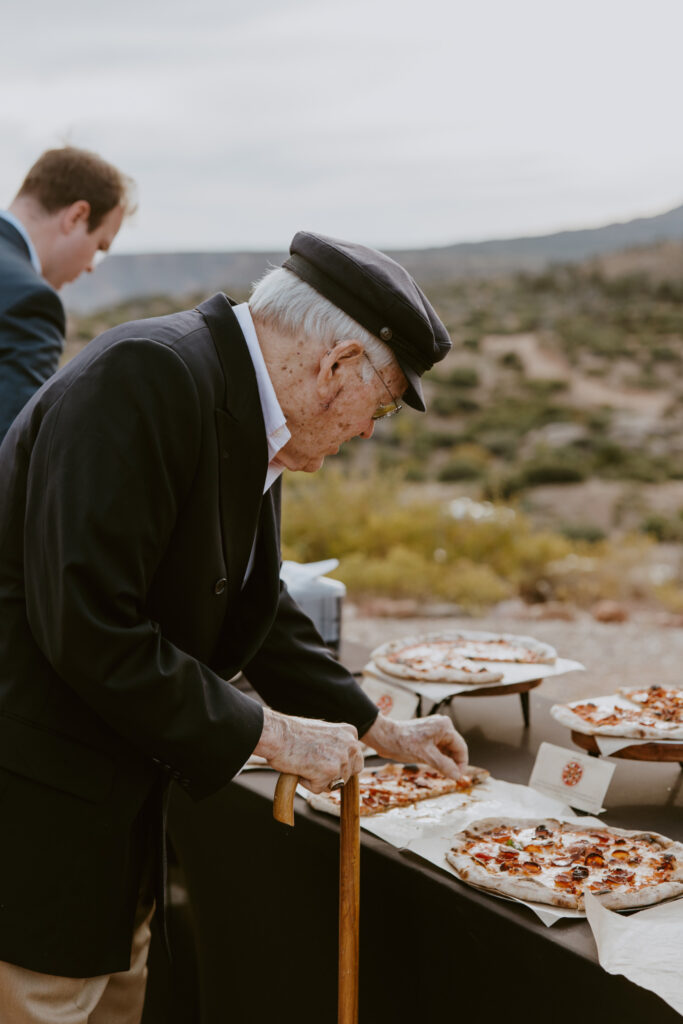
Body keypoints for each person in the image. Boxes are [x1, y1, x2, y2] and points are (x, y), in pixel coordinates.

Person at [0, 230, 468, 1023]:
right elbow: (91, 629)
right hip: (37, 832)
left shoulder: (238, 397)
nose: (368, 431)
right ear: (337, 367)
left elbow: (252, 597)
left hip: (115, 832)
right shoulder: (145, 376)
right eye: (381, 405)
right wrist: (274, 734)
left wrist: (371, 722)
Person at [0, 145, 134, 442]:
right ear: (76, 216)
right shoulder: (31, 303)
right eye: (99, 246)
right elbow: (18, 453)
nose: (90, 267)